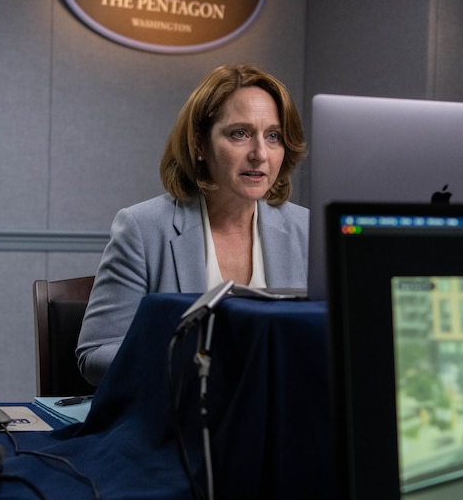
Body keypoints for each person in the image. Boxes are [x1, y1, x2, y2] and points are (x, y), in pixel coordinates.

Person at [75, 64, 309, 386]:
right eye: (239, 133)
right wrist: (198, 364)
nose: (259, 154)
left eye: (273, 136)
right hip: (177, 423)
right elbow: (96, 355)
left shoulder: (307, 230)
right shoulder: (143, 228)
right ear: (200, 144)